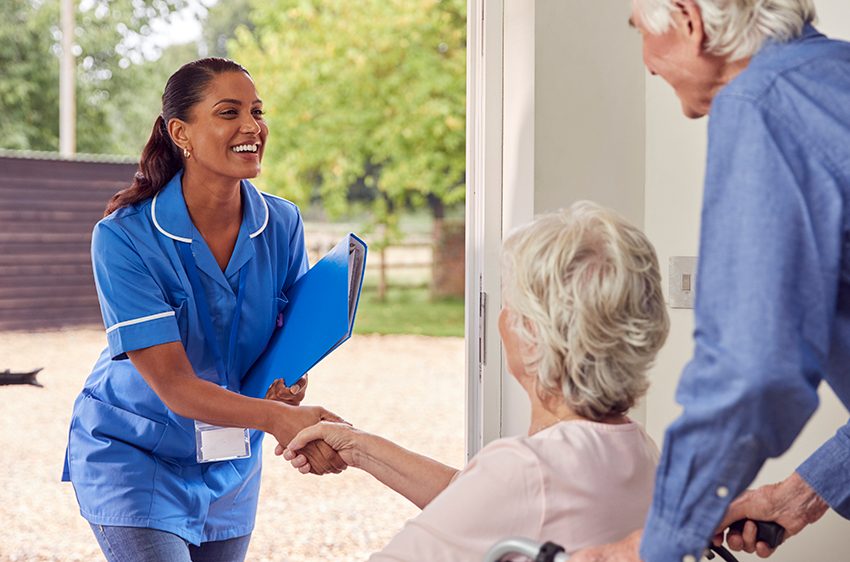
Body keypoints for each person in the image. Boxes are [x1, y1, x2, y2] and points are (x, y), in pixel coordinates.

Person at [571, 1, 850, 561]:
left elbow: (752, 370)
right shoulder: (836, 76)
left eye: (639, 33)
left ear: (687, 20)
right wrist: (800, 496)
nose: (647, 65)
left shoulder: (762, 102)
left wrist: (651, 547)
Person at [62, 58, 347, 562]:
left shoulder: (281, 223)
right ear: (181, 133)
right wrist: (277, 420)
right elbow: (175, 386)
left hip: (230, 463)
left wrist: (288, 389)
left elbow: (286, 343)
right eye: (228, 112)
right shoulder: (123, 237)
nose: (252, 127)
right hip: (134, 456)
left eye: (257, 112)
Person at [283, 202, 671, 560]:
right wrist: (358, 447)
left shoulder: (526, 469)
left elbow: (498, 498)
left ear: (533, 335)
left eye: (509, 304)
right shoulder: (640, 451)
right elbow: (480, 503)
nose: (501, 318)